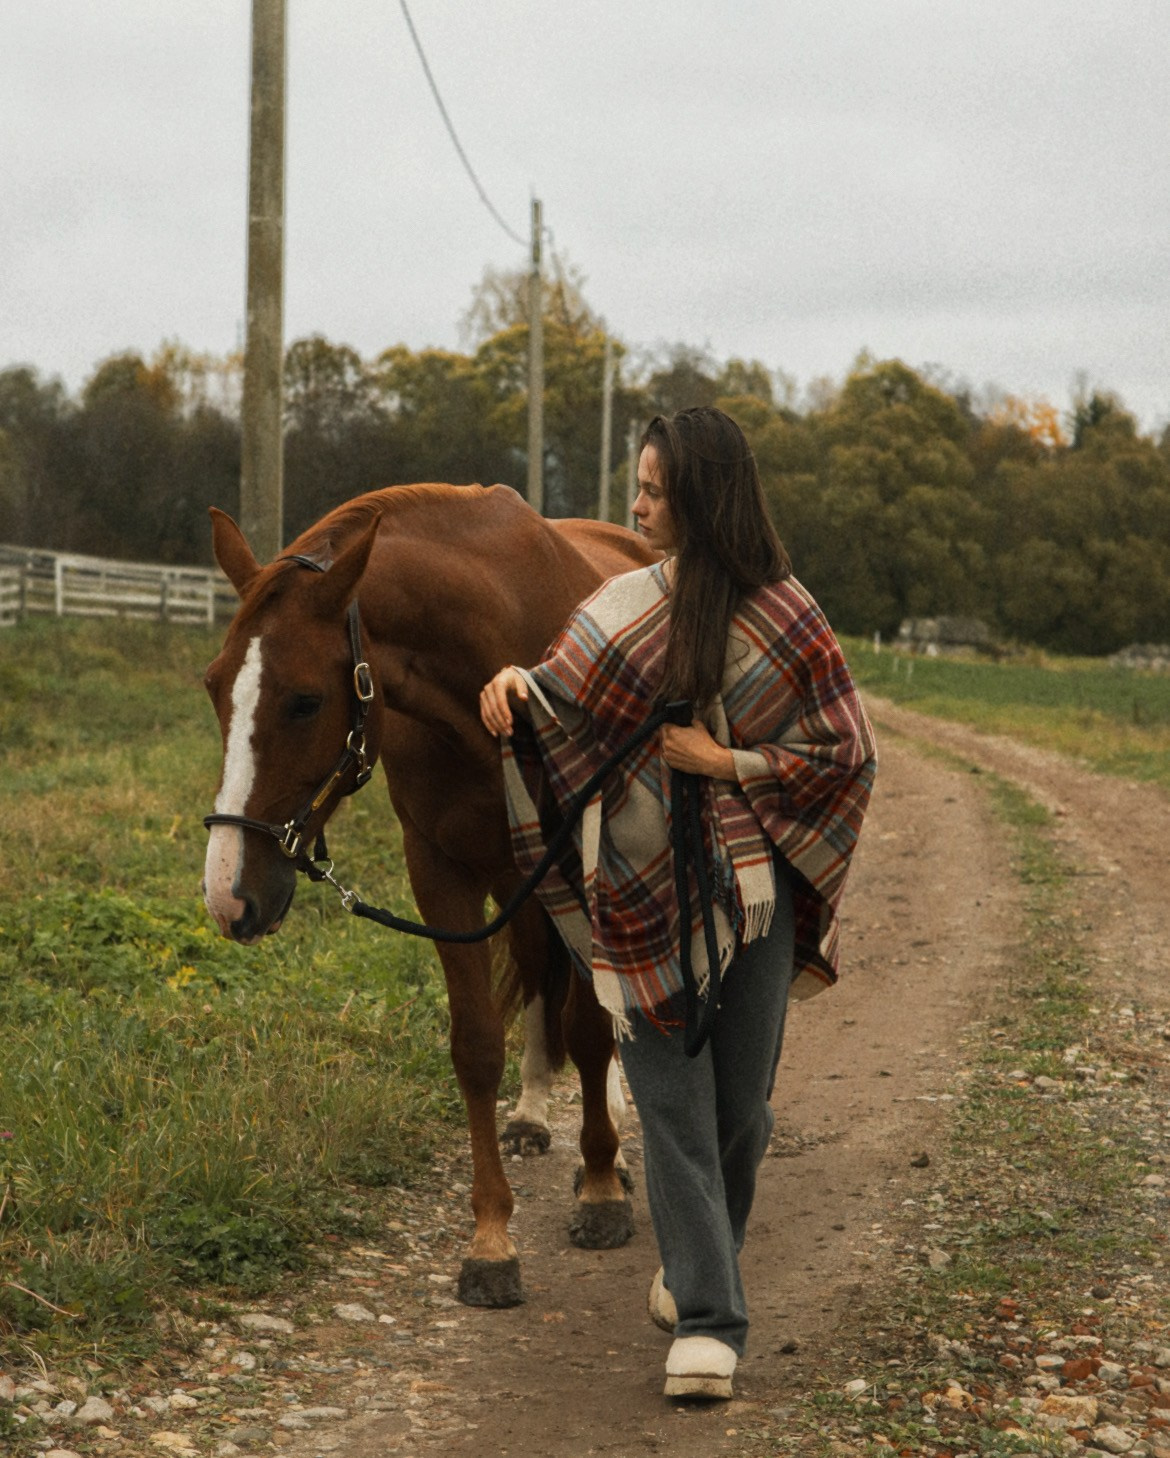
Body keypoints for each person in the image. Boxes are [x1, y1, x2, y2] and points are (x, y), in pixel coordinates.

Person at [479, 406, 876, 1401]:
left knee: (738, 1109)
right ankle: (710, 1319)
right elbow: (557, 699)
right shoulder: (624, 606)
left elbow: (846, 757)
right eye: (639, 486)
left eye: (652, 488)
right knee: (671, 1105)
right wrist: (511, 686)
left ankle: (699, 1261)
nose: (636, 504)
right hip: (638, 895)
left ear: (700, 495)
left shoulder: (789, 614)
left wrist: (724, 760)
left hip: (757, 899)